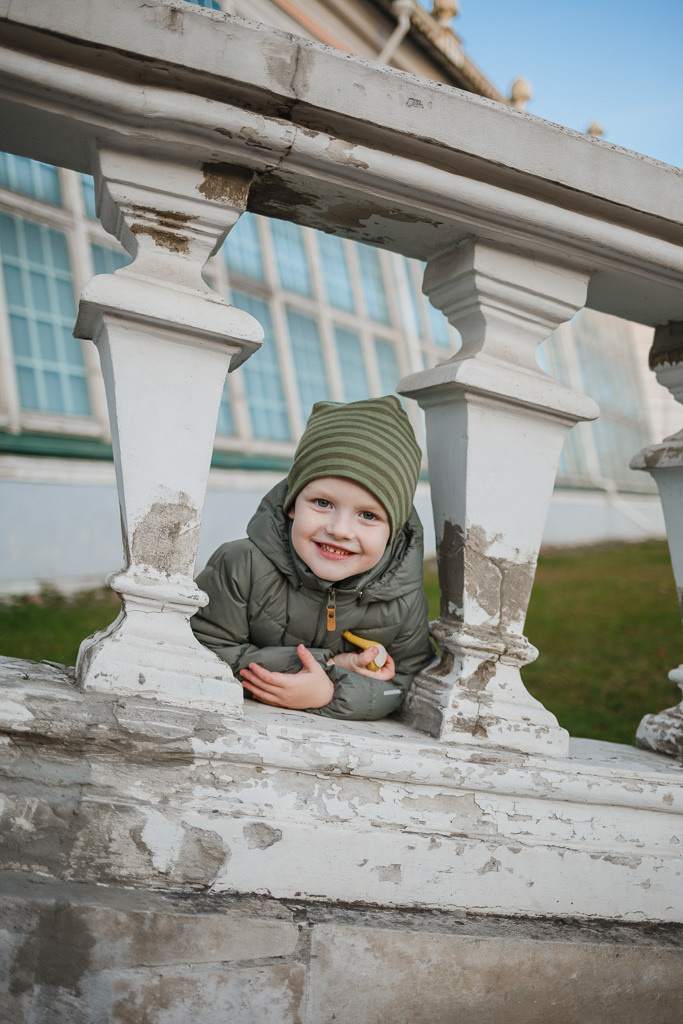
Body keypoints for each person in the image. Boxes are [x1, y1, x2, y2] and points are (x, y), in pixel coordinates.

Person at [191, 395, 433, 720]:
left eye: (368, 515)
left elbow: (408, 683)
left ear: (394, 530)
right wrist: (329, 665)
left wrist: (333, 691)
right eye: (322, 503)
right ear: (292, 503)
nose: (340, 529)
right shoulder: (241, 566)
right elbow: (202, 650)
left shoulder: (402, 602)